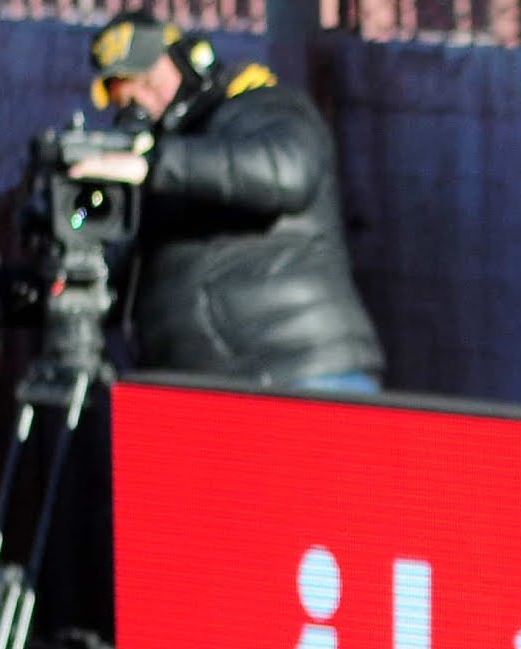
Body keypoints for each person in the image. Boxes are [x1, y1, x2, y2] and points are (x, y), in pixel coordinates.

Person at [68, 10, 384, 392]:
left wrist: (152, 163)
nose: (138, 100)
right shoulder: (168, 158)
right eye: (123, 92)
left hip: (301, 374)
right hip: (208, 390)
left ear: (188, 60)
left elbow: (287, 171)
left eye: (148, 81)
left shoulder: (259, 107)